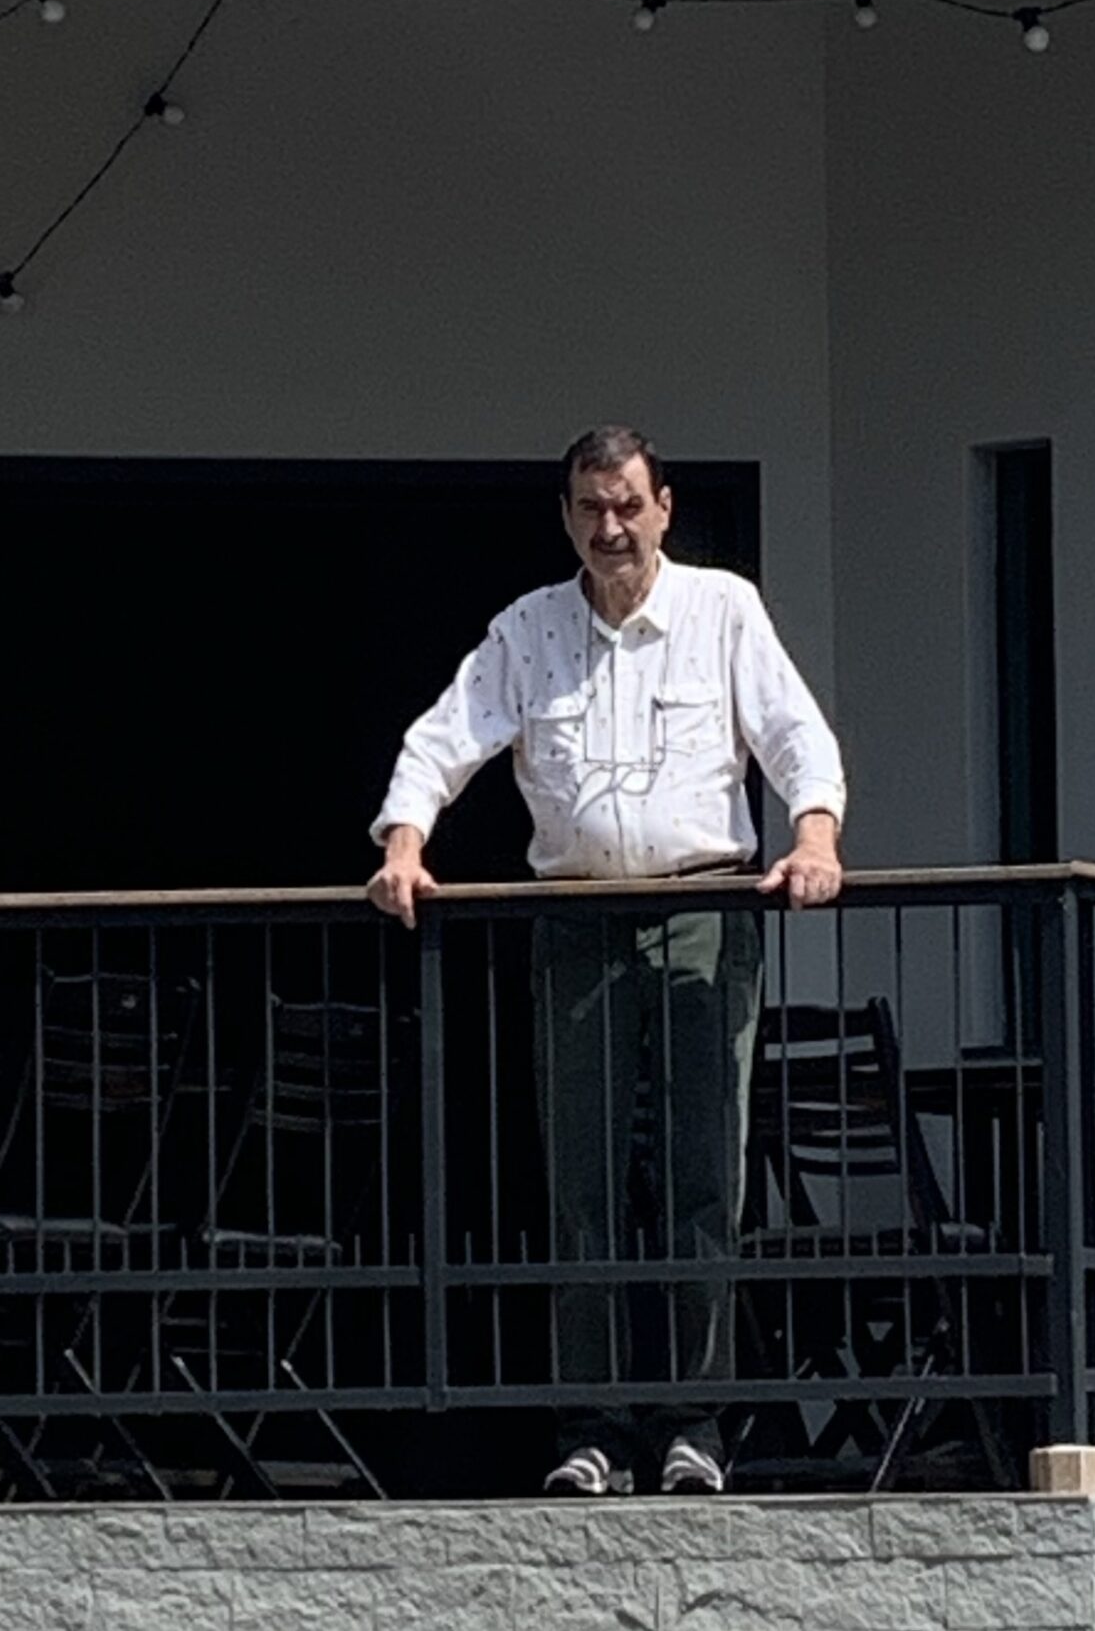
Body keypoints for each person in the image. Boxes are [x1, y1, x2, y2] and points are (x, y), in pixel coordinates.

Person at [368, 424, 846, 1497]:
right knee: (579, 1182)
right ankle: (590, 1430)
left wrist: (814, 838)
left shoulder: (722, 609)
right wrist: (403, 845)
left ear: (664, 508)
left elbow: (796, 737)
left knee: (700, 1178)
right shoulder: (529, 628)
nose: (612, 527)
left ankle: (693, 1426)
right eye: (591, 507)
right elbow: (442, 739)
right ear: (566, 516)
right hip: (575, 919)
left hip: (700, 910)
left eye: (629, 504)